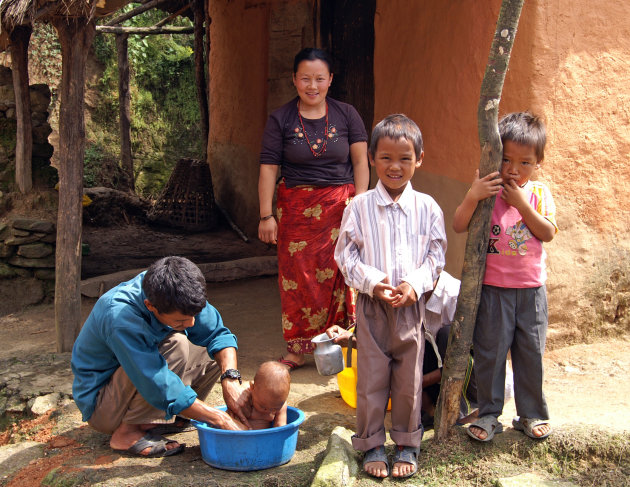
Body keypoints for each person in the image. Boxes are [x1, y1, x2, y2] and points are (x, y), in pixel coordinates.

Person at [334, 114, 447, 479]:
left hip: (410, 307)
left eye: (404, 158)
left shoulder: (428, 208)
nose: (395, 167)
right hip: (371, 307)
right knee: (371, 378)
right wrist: (372, 282)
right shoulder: (359, 207)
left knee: (409, 377)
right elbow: (345, 255)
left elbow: (436, 256)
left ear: (420, 159)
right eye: (386, 158)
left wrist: (414, 283)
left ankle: (408, 443)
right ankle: (370, 444)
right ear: (371, 158)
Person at [71, 256, 251, 458]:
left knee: (211, 351)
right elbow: (154, 380)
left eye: (194, 315)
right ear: (150, 306)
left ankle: (173, 416)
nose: (191, 323)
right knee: (177, 345)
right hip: (103, 405)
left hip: (133, 384)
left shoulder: (178, 290)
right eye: (181, 319)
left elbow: (218, 335)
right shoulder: (120, 316)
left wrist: (231, 380)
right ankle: (127, 432)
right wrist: (219, 418)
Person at [258, 47, 370, 371]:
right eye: (305, 78)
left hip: (341, 208)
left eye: (319, 78)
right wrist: (267, 215)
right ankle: (296, 349)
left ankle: (344, 345)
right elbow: (268, 168)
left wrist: (359, 205)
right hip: (295, 210)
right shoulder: (280, 119)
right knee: (298, 280)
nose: (312, 86)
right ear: (294, 79)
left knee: (342, 276)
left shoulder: (347, 114)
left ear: (330, 79)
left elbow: (361, 161)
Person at [452, 111, 557, 442]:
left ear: (537, 162)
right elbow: (458, 224)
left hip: (531, 292)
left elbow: (547, 232)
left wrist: (523, 205)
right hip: (494, 291)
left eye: (525, 162)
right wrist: (473, 194)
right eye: (506, 158)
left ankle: (531, 414)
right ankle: (488, 414)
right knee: (490, 354)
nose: (514, 169)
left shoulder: (539, 194)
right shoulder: (488, 188)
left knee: (530, 354)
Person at [226, 361, 291, 430]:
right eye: (263, 406)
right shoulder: (245, 399)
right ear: (252, 388)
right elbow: (229, 420)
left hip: (264, 439)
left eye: (274, 409)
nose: (268, 411)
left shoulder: (280, 404)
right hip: (240, 437)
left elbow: (280, 426)